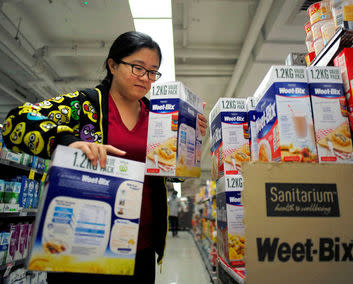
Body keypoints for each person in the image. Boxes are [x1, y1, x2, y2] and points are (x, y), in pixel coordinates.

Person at [2, 31, 207, 283]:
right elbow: (16, 121)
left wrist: (191, 139)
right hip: (82, 243)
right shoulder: (86, 104)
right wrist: (67, 141)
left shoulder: (159, 116)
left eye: (153, 72)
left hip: (138, 245)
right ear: (112, 65)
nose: (146, 78)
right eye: (137, 68)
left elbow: (172, 173)